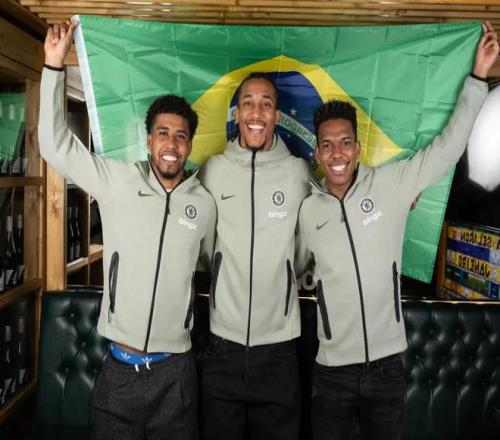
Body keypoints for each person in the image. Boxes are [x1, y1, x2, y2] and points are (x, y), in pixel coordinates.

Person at [296, 22, 498, 440]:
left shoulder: (391, 185)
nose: (337, 153)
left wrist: (479, 78)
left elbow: (446, 148)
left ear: (357, 147)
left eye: (345, 142)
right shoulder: (307, 208)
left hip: (386, 367)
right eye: (327, 145)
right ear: (317, 152)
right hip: (330, 370)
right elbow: (298, 267)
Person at [38, 20, 216, 440]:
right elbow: (54, 144)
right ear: (149, 140)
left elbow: (215, 260)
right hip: (119, 369)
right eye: (163, 134)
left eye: (181, 136)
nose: (172, 143)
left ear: (189, 145)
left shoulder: (204, 204)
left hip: (177, 372)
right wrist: (54, 65)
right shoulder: (116, 180)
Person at [198, 72, 312, 440]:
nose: (256, 112)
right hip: (222, 345)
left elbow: (310, 243)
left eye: (266, 104)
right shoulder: (213, 171)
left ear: (277, 116)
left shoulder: (298, 173)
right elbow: (201, 242)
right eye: (248, 103)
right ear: (237, 114)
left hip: (279, 350)